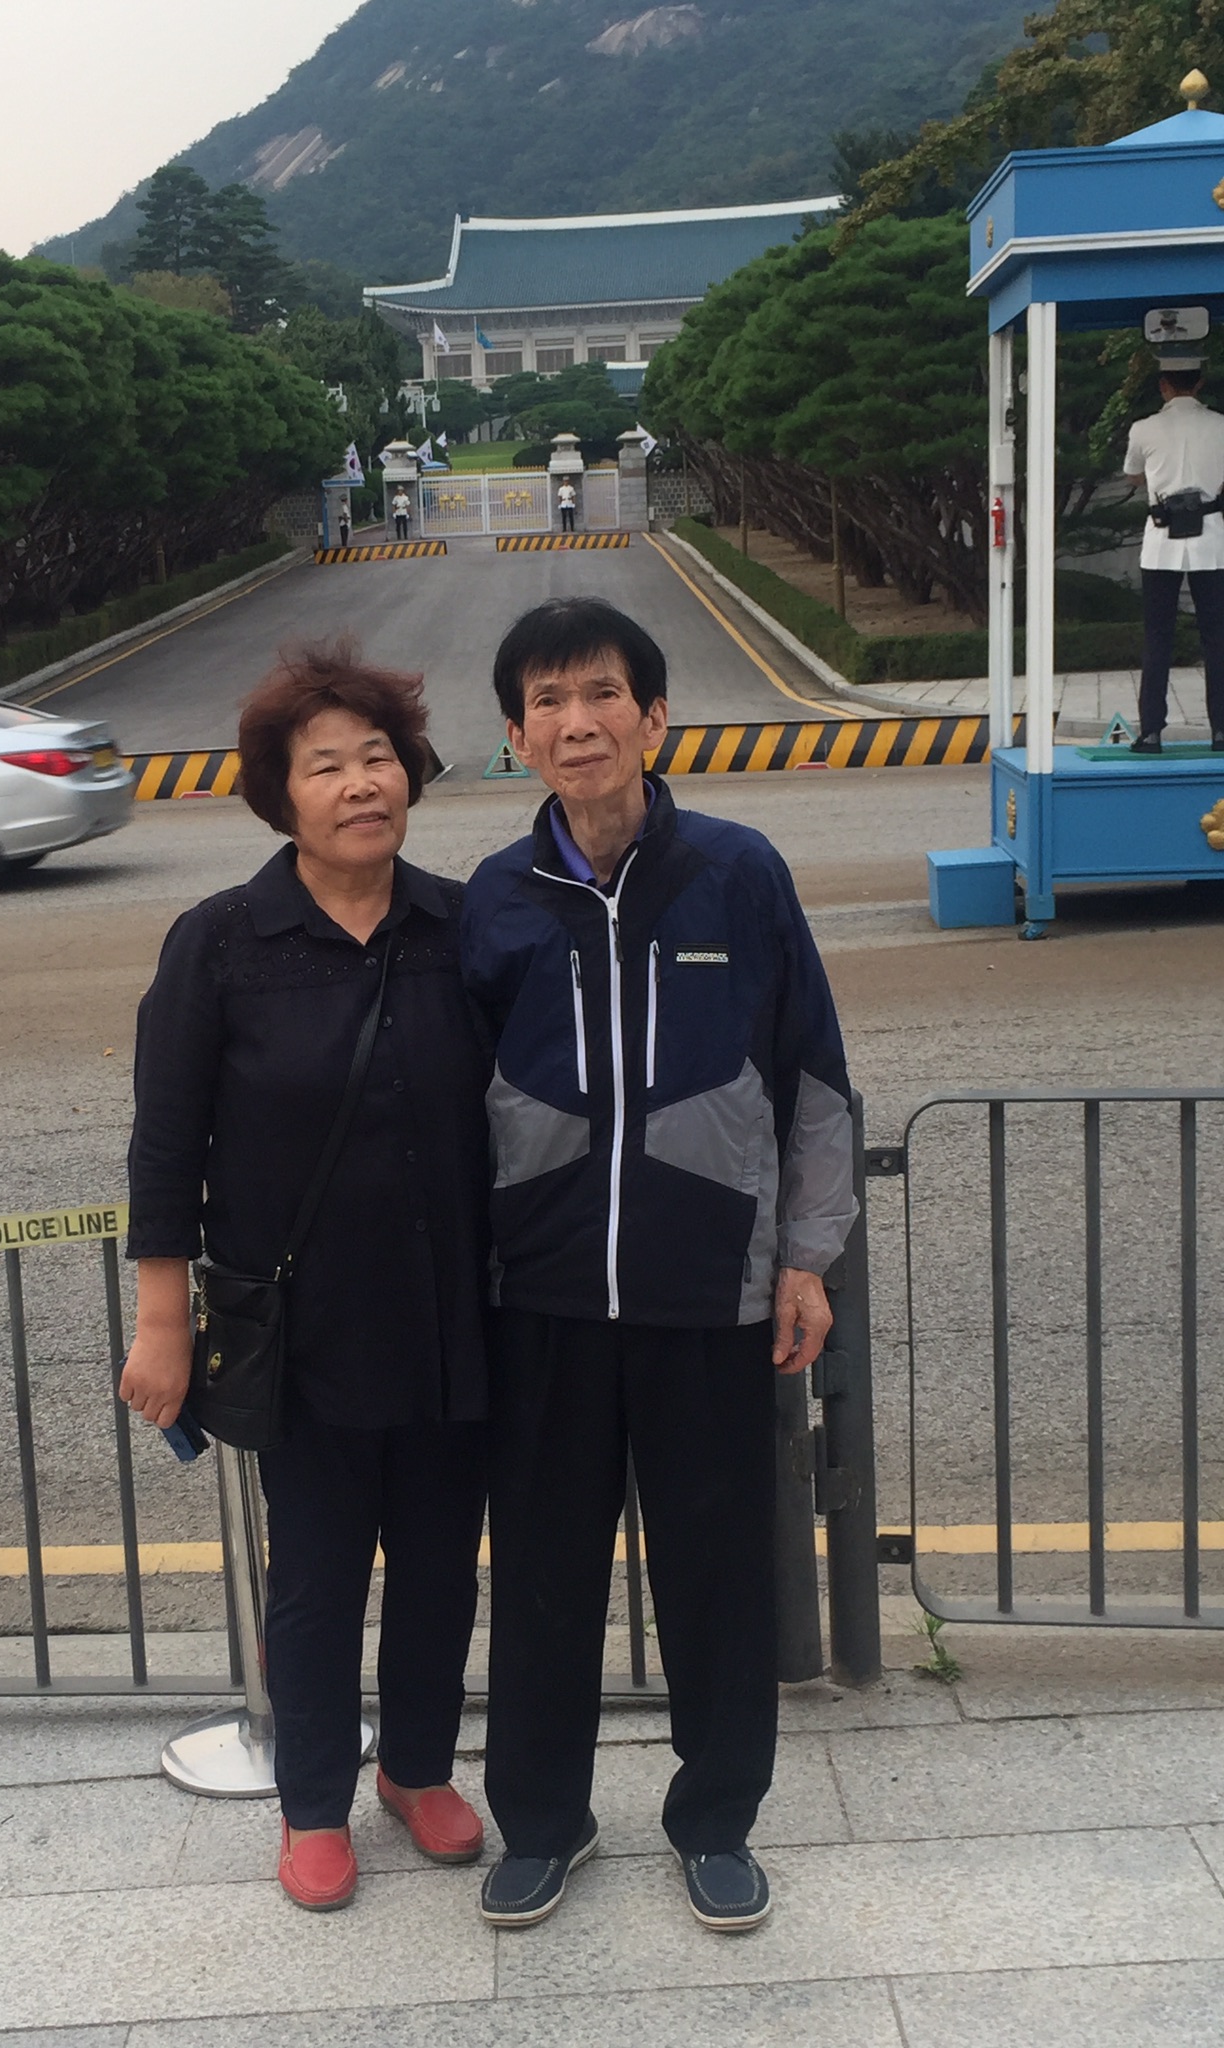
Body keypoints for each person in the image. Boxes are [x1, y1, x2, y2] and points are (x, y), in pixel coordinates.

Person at [461, 597, 856, 1933]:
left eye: (603, 695)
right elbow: (458, 1106)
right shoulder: (498, 901)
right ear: (518, 735)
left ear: (654, 716)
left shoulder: (737, 873)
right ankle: (543, 1821)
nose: (579, 722)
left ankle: (717, 1820)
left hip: (710, 1294)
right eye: (550, 702)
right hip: (543, 1303)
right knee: (544, 1579)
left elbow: (813, 1075)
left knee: (717, 1575)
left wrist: (806, 1257)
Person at [121, 642, 491, 1913]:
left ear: (411, 775)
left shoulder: (463, 926)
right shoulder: (221, 942)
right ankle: (315, 1800)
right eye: (325, 765)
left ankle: (421, 1768)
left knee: (441, 1564)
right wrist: (162, 1318)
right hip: (307, 1330)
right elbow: (167, 1143)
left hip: (455, 1317)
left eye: (378, 757)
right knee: (319, 1576)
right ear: (281, 796)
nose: (360, 784)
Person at [1122, 357, 1224, 751]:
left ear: (1164, 385)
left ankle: (1151, 731)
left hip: (1162, 541)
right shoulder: (1220, 425)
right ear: (1198, 384)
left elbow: (1133, 475)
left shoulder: (1143, 428)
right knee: (1217, 638)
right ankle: (1221, 730)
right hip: (1211, 540)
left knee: (1157, 637)